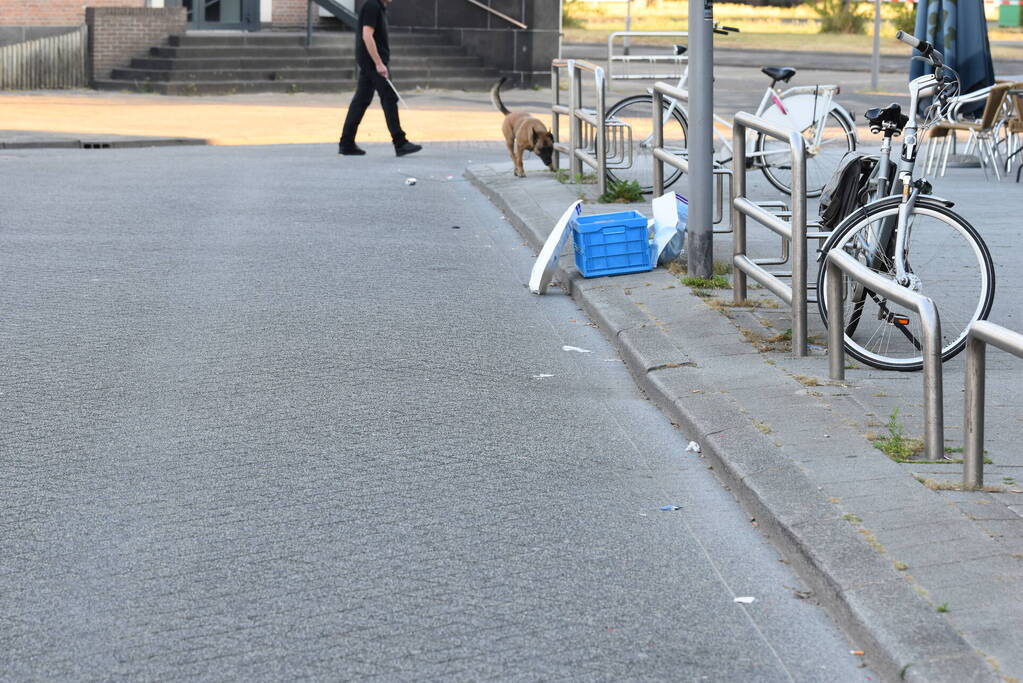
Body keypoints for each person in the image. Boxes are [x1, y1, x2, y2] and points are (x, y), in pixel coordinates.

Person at [339, 0, 421, 157]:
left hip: (370, 61)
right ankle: (400, 142)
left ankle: (346, 143)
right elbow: (367, 35)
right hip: (373, 61)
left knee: (361, 100)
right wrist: (378, 63)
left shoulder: (377, 6)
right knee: (389, 97)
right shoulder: (372, 6)